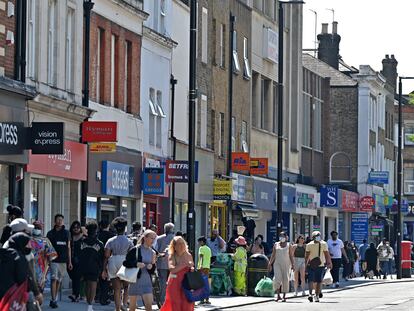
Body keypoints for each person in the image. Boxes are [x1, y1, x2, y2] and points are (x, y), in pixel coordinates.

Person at [102, 217, 133, 311]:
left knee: (116, 289)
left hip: (113, 260)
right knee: (126, 286)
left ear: (116, 228)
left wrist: (104, 269)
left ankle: (117, 308)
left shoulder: (110, 240)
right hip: (124, 261)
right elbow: (131, 254)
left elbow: (106, 255)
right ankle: (124, 303)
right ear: (124, 228)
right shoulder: (129, 241)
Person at [124, 230, 157, 311]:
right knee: (132, 307)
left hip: (147, 281)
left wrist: (151, 267)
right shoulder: (135, 249)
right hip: (135, 280)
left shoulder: (153, 252)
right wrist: (136, 264)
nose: (153, 240)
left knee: (149, 306)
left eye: (154, 238)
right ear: (145, 238)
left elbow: (153, 269)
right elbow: (125, 263)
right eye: (151, 238)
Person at [160, 236, 195, 311]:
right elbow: (172, 269)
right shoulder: (172, 255)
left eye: (183, 243)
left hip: (187, 283)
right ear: (174, 246)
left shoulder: (188, 255)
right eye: (179, 244)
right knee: (175, 303)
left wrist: (191, 268)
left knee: (187, 303)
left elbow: (191, 267)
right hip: (175, 283)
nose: (181, 245)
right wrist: (184, 264)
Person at [47, 214, 72, 309]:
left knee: (58, 280)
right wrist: (47, 261)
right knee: (54, 279)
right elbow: (47, 248)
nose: (60, 221)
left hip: (63, 260)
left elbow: (69, 247)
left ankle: (54, 298)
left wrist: (70, 262)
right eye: (58, 219)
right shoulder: (50, 233)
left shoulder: (67, 233)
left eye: (61, 220)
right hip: (53, 260)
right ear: (55, 221)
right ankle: (54, 300)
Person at [79, 221, 104, 311]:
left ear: (87, 230)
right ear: (96, 230)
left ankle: (88, 303)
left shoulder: (82, 241)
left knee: (86, 284)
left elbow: (79, 254)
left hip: (84, 265)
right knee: (93, 285)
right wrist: (102, 268)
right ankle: (90, 305)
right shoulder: (99, 243)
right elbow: (102, 257)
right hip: (95, 266)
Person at [0, 232, 30, 300]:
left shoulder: (3, 254)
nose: (29, 246)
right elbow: (22, 278)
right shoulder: (19, 257)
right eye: (27, 244)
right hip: (12, 295)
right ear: (21, 243)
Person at [30, 220, 58, 292]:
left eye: (38, 227)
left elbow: (52, 255)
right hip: (29, 266)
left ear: (41, 229)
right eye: (35, 227)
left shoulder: (45, 240)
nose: (36, 229)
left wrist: (47, 268)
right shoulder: (27, 239)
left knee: (39, 290)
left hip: (41, 268)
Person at [305, 231, 332, 303]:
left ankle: (316, 295)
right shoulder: (309, 245)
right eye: (316, 236)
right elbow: (306, 256)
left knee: (318, 281)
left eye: (319, 235)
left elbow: (326, 254)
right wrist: (305, 265)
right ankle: (310, 294)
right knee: (310, 280)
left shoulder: (324, 244)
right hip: (311, 265)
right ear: (313, 237)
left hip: (321, 265)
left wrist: (329, 262)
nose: (318, 237)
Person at [268, 232, 294, 302]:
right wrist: (270, 263)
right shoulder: (276, 244)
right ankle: (278, 295)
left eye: (283, 236)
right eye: (280, 236)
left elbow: (291, 256)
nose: (281, 237)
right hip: (277, 264)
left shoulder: (289, 245)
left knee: (285, 279)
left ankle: (284, 296)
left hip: (286, 264)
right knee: (277, 278)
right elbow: (273, 255)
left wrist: (293, 265)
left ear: (286, 237)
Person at [156, 222, 175, 304]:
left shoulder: (159, 238)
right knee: (173, 281)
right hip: (172, 263)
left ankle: (162, 299)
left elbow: (156, 249)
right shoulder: (175, 239)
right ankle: (170, 298)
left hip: (161, 262)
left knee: (162, 281)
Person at [97, 220, 115, 305]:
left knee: (99, 279)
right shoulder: (111, 236)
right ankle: (104, 298)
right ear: (108, 226)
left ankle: (97, 296)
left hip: (98, 259)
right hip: (109, 258)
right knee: (106, 280)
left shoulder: (97, 235)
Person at [67, 220, 84, 303]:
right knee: (73, 277)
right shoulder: (70, 236)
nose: (76, 229)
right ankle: (77, 294)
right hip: (71, 260)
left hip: (80, 261)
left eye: (77, 227)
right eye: (74, 227)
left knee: (76, 278)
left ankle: (75, 294)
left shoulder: (83, 237)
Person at [197, 236, 212, 305]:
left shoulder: (201, 248)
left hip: (202, 268)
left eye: (199, 242)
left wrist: (200, 266)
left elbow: (201, 257)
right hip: (207, 267)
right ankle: (207, 299)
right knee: (206, 284)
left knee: (201, 284)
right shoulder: (209, 249)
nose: (199, 243)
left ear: (202, 242)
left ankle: (202, 299)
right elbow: (209, 258)